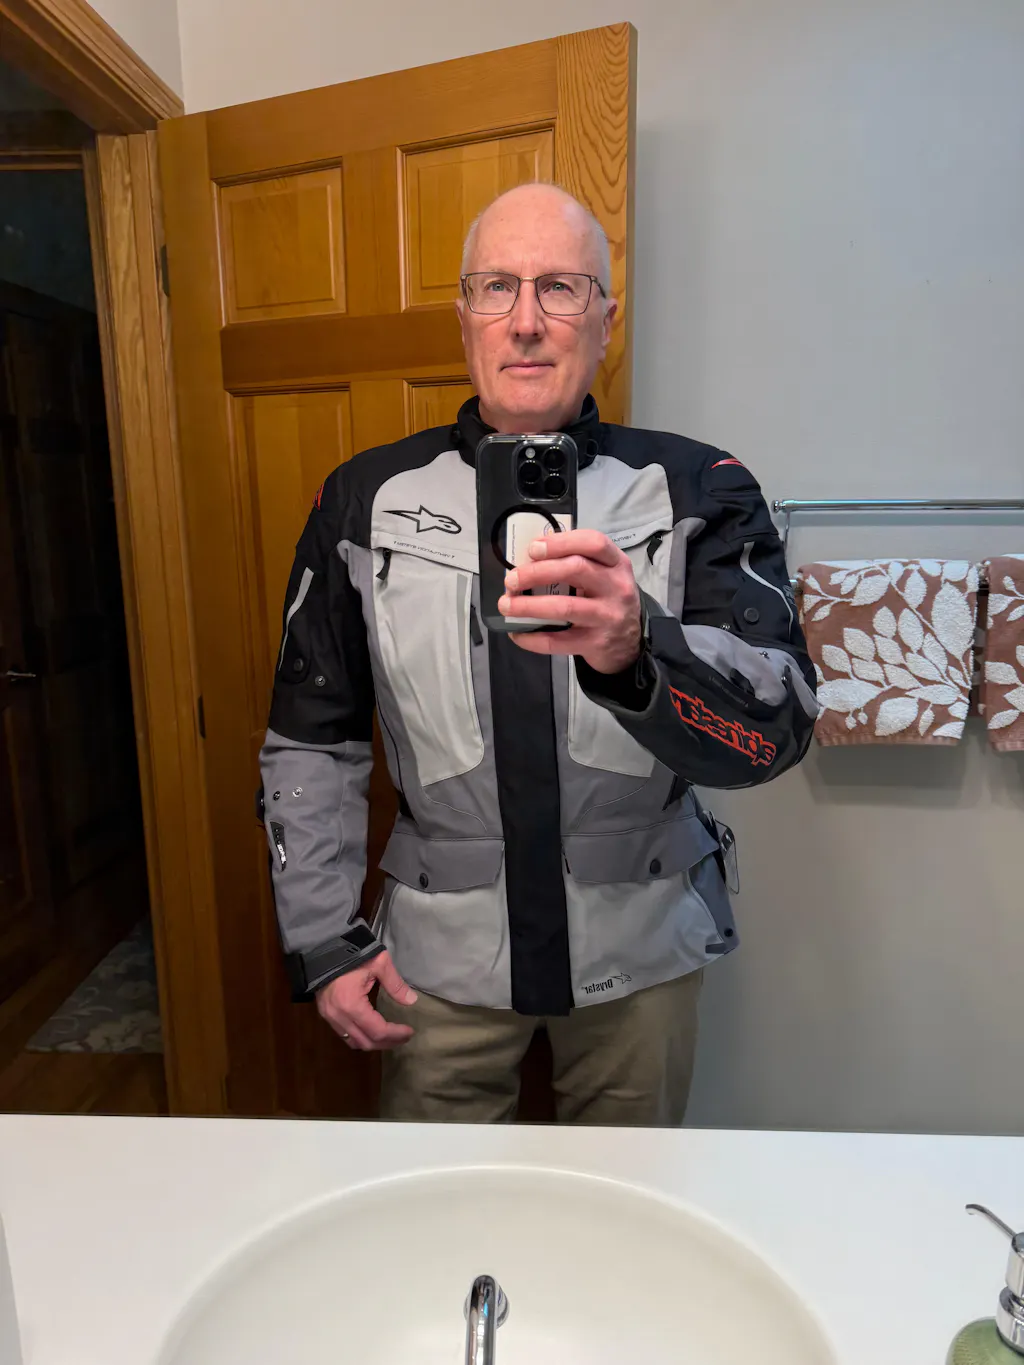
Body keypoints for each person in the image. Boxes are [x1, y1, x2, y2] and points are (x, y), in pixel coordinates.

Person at [258, 183, 818, 1126]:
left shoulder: (699, 487)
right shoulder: (363, 499)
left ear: (606, 321)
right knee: (443, 1202)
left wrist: (640, 651)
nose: (525, 321)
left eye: (560, 287)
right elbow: (313, 738)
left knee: (625, 1204)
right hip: (436, 964)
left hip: (641, 952)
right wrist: (323, 936)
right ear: (463, 317)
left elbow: (779, 726)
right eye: (496, 287)